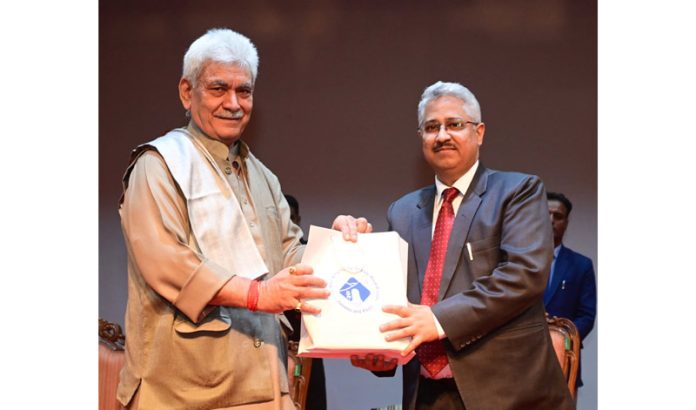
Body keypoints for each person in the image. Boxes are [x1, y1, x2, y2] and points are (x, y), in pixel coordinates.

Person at [117, 28, 371, 409]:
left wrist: (336, 250)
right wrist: (259, 294)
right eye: (218, 89)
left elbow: (287, 257)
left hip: (264, 382)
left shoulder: (261, 175)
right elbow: (166, 261)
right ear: (187, 92)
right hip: (183, 390)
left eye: (244, 91)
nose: (233, 103)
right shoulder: (159, 165)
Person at [351, 81, 574, 409]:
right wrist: (381, 351)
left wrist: (437, 319)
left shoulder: (518, 191)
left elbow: (523, 275)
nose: (442, 135)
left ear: (479, 132)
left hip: (508, 395)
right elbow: (397, 299)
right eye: (431, 127)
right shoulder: (401, 212)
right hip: (426, 396)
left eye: (454, 124)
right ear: (421, 138)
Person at [544, 191, 597, 389]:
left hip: (564, 363)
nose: (551, 220)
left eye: (557, 216)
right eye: (545, 214)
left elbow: (586, 316)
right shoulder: (517, 261)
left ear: (566, 222)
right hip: (523, 360)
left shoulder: (581, 265)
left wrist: (562, 338)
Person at [282, 193, 326, 410]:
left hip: (307, 344)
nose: (287, 223)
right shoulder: (261, 255)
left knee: (313, 399)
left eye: (291, 217)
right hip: (276, 343)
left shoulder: (311, 254)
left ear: (298, 219)